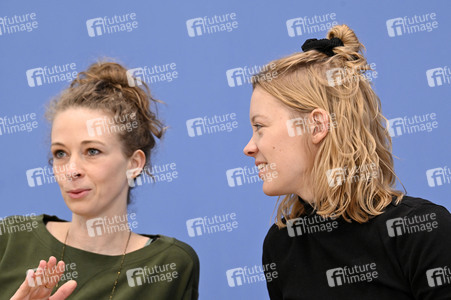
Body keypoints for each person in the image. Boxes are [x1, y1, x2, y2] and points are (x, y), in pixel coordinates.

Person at [243, 24, 451, 299]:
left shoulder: (424, 231)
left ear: (316, 125)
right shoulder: (281, 245)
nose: (249, 148)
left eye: (260, 126)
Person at [1, 62, 199, 299]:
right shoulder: (10, 239)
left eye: (92, 151)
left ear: (134, 164)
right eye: (60, 153)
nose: (71, 170)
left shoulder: (170, 265)